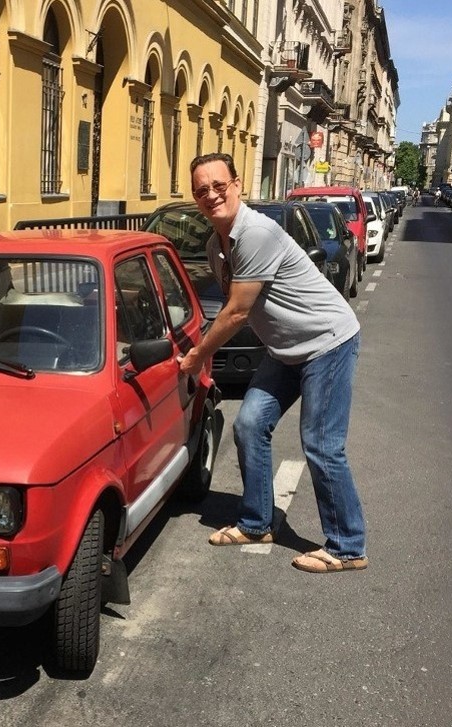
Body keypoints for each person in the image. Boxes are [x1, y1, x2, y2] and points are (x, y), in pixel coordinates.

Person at [178, 153, 368, 573]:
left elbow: (237, 313)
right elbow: (229, 308)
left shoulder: (256, 233)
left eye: (218, 185)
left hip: (326, 343)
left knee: (321, 444)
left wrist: (197, 356)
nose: (211, 195)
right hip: (285, 351)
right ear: (195, 198)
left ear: (237, 184)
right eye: (202, 189)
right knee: (249, 425)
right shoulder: (217, 246)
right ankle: (257, 522)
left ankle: (347, 546)